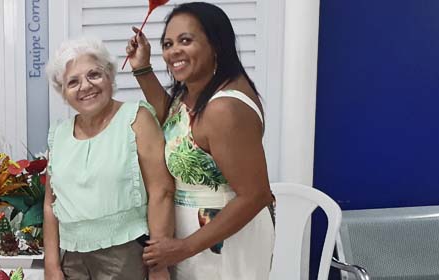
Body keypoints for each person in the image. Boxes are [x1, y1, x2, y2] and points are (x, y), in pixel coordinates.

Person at [125, 2, 276, 279]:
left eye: (186, 40)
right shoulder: (194, 91)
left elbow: (255, 195)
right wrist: (143, 69)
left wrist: (182, 248)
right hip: (196, 240)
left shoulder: (224, 109)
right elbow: (174, 124)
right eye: (168, 44)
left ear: (216, 44)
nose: (174, 51)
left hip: (224, 242)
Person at [42, 38, 176, 280]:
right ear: (63, 92)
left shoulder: (136, 117)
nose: (85, 86)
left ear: (110, 77)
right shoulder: (58, 134)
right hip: (71, 258)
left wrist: (159, 266)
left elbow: (162, 191)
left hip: (127, 254)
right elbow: (51, 205)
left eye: (94, 74)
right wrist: (51, 265)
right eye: (73, 81)